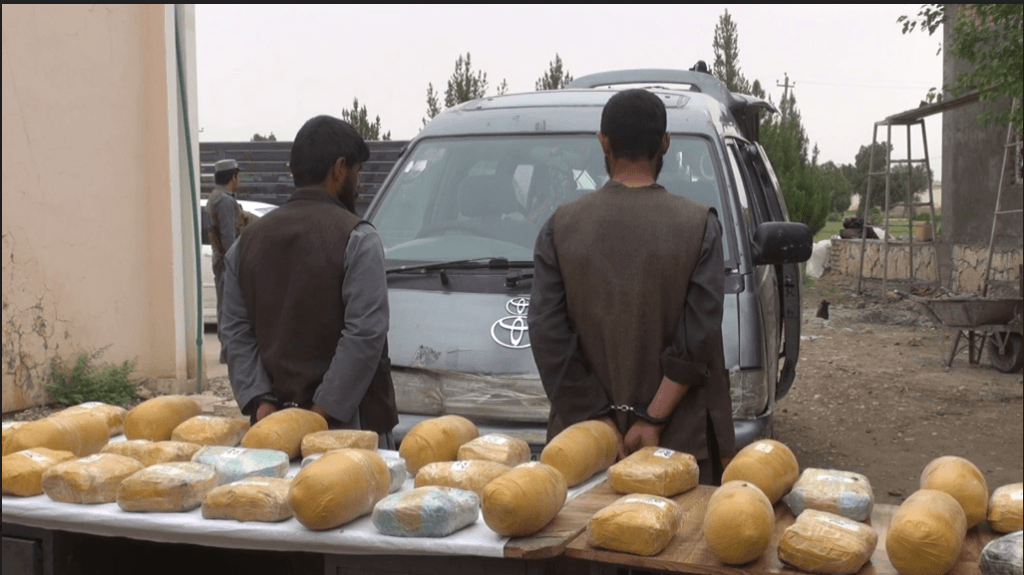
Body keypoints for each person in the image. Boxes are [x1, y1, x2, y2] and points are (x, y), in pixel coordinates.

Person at [527, 89, 736, 485]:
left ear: (603, 141)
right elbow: (698, 339)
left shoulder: (560, 226)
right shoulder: (699, 226)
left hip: (581, 446)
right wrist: (651, 419)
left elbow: (548, 335)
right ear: (665, 143)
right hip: (676, 448)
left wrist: (601, 424)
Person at [219, 115, 398, 448]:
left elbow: (234, 332)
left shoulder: (246, 243)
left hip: (272, 432)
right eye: (357, 173)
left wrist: (263, 403)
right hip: (351, 434)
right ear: (339, 168)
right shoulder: (358, 237)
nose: (357, 185)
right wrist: (320, 414)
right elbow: (365, 334)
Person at [206, 158, 250, 364]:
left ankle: (228, 349)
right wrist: (235, 264)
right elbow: (227, 237)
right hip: (226, 261)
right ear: (232, 177)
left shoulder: (217, 197)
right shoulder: (224, 201)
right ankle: (228, 351)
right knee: (228, 305)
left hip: (223, 259)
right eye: (237, 176)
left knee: (225, 304)